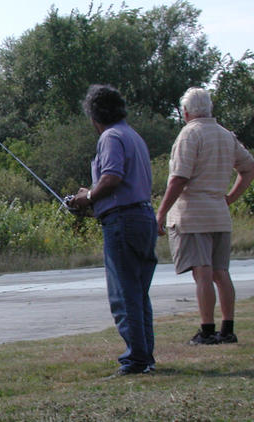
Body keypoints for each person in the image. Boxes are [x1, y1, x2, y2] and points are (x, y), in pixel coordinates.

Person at [70, 84, 157, 376]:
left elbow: (112, 178)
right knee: (139, 293)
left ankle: (135, 360)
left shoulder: (110, 137)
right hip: (144, 217)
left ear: (94, 116)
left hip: (123, 222)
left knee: (124, 294)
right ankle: (145, 357)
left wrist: (88, 197)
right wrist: (92, 193)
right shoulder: (133, 135)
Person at [156, 87, 254, 345]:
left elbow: (179, 178)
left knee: (202, 273)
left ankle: (207, 330)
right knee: (221, 272)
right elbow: (248, 168)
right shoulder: (225, 135)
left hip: (193, 214)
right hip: (219, 214)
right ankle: (228, 328)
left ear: (186, 112)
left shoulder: (189, 135)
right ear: (209, 108)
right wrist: (230, 197)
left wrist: (161, 212)